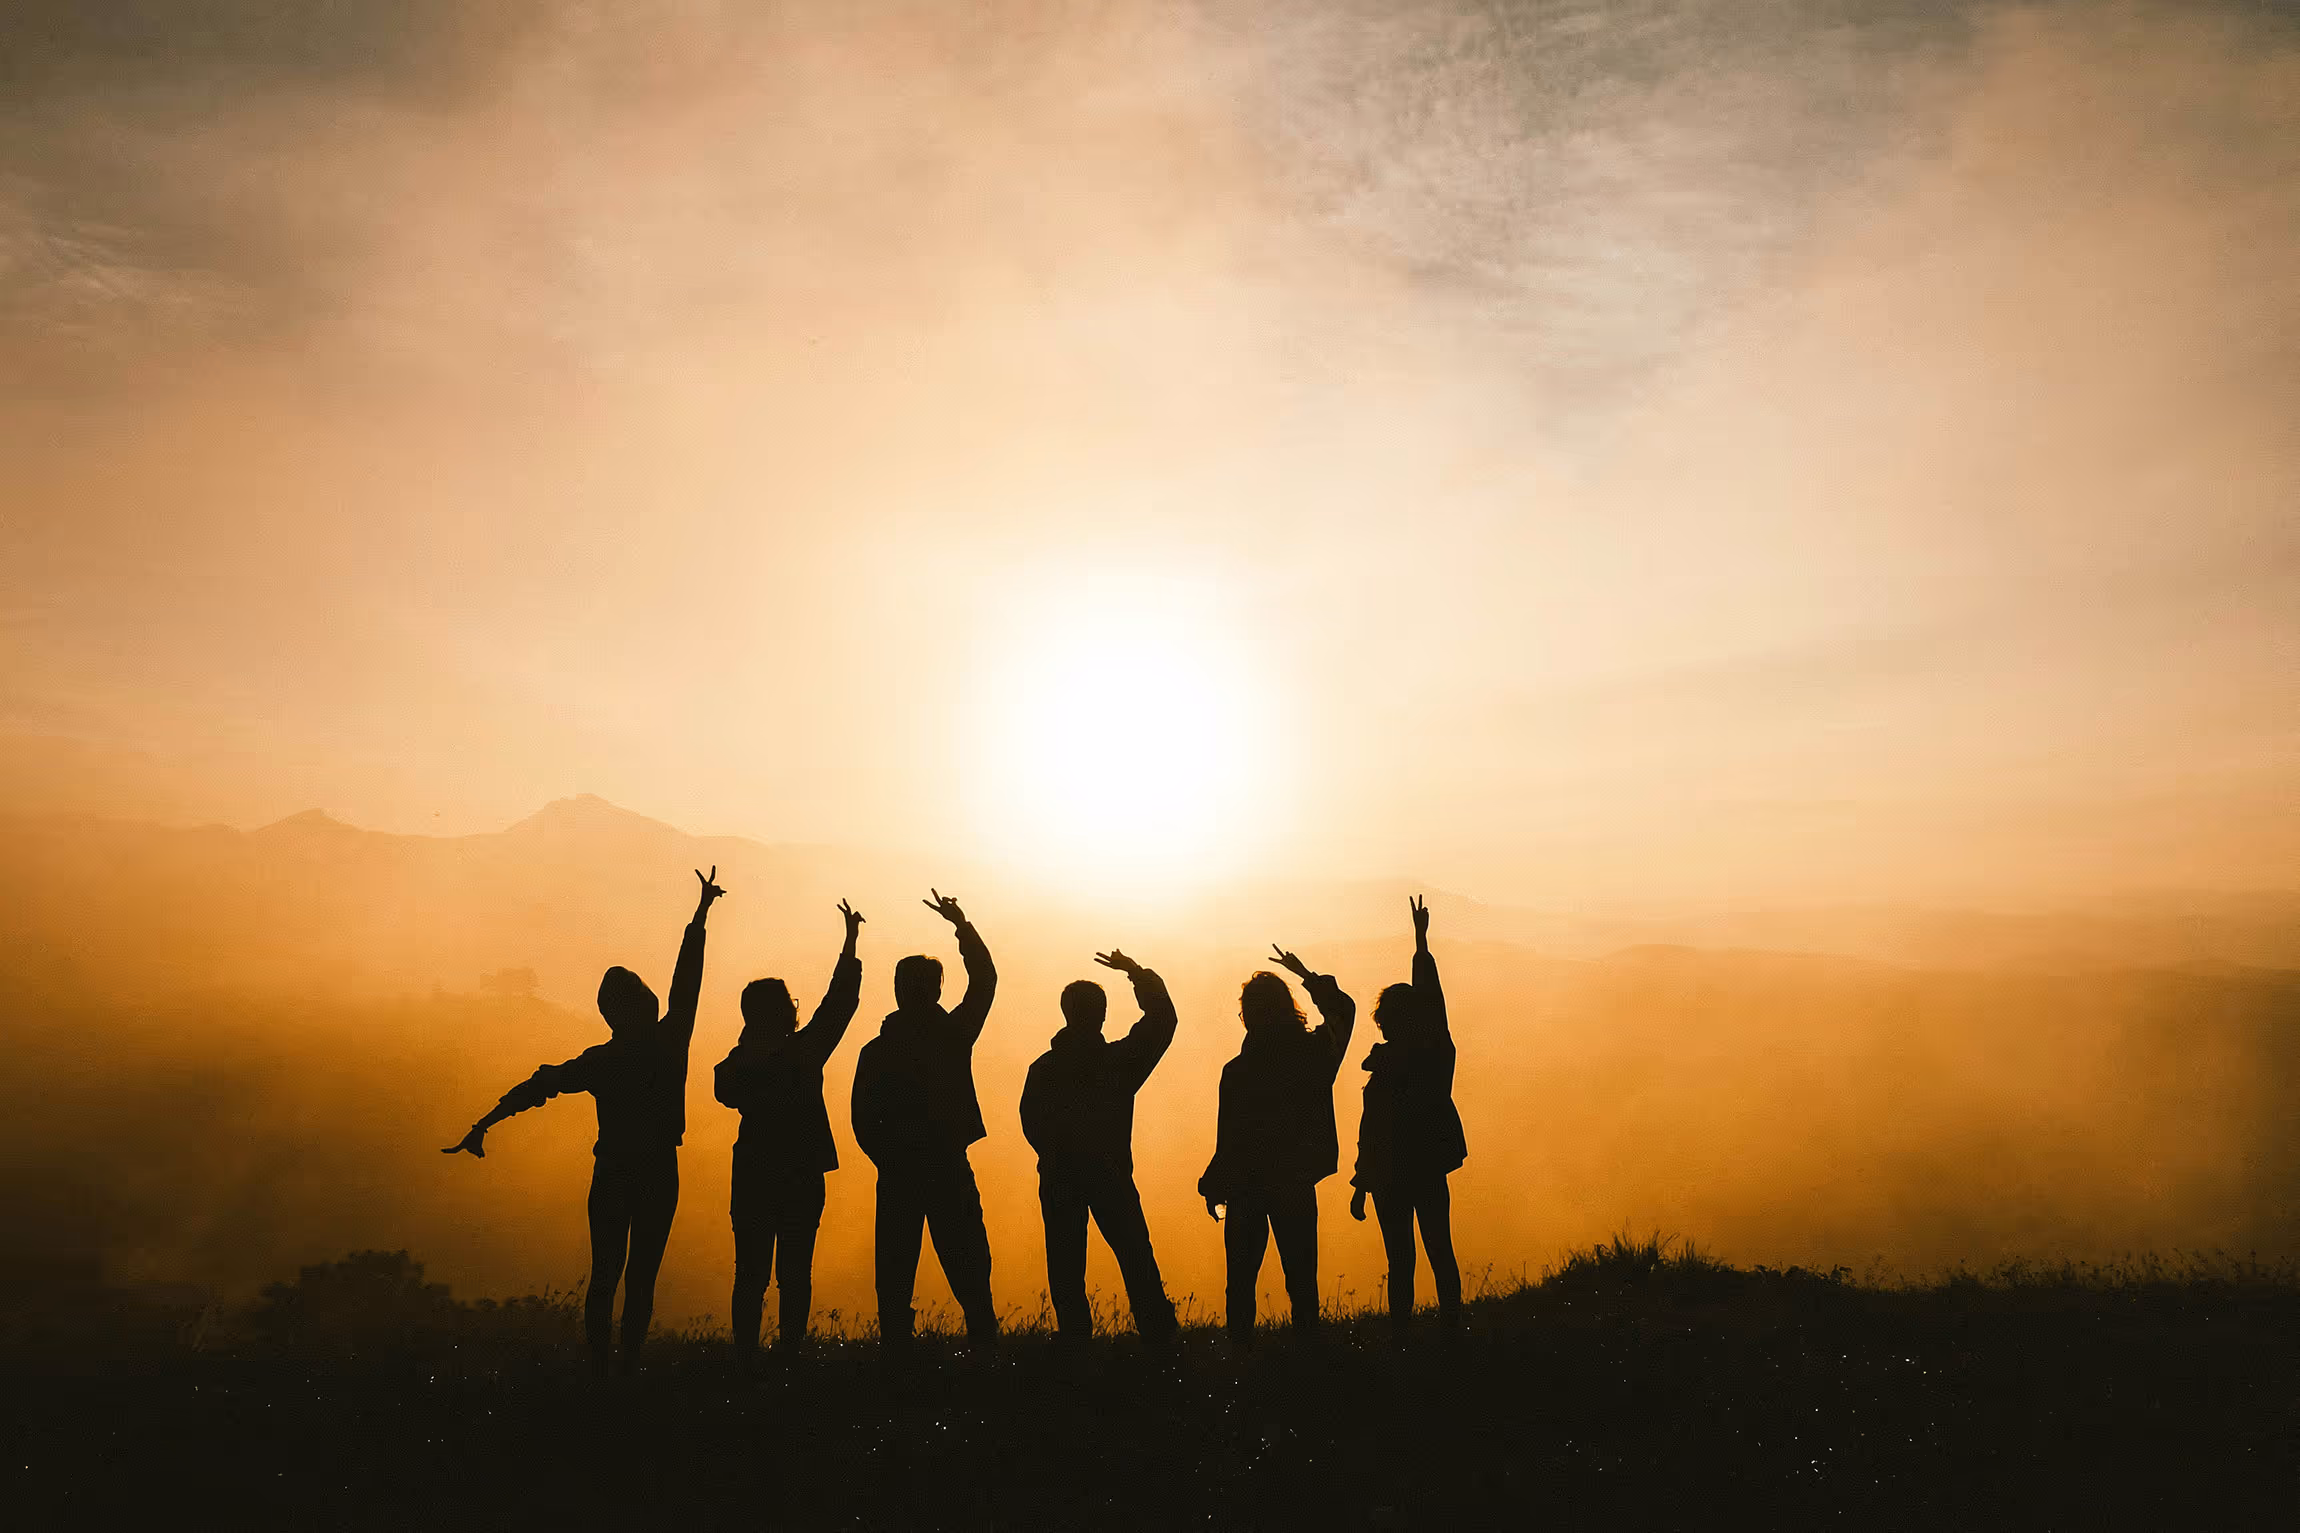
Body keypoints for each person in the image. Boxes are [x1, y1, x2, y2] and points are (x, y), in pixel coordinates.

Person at [443, 867, 725, 1375]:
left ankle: (600, 1369)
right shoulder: (669, 1042)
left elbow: (539, 1085)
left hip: (614, 1171)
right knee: (641, 1277)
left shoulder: (601, 1061)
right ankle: (628, 1367)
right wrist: (700, 916)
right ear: (644, 1004)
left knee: (605, 1274)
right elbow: (688, 981)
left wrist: (484, 1122)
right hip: (659, 1171)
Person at [713, 899, 865, 1359]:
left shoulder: (739, 1064)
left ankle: (745, 1356)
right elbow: (839, 1005)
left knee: (750, 1274)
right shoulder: (803, 1053)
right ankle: (790, 1355)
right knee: (795, 1271)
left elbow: (724, 1088)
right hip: (801, 1174)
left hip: (754, 1174)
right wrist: (851, 945)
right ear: (785, 1013)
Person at [850, 890, 999, 1347]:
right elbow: (985, 980)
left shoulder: (879, 1050)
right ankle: (983, 1341)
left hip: (899, 1169)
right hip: (943, 1164)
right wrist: (962, 924)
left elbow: (862, 1118)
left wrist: (887, 1156)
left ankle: (898, 1348)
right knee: (967, 1259)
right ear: (936, 989)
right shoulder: (952, 1035)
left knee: (896, 1265)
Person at [1019, 949, 1180, 1348]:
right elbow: (1163, 1021)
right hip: (1110, 1175)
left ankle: (1076, 1344)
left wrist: (1056, 1154)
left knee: (1065, 1264)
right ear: (1103, 1014)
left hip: (1060, 1176)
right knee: (1135, 1256)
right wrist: (1136, 973)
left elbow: (1031, 1123)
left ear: (1066, 1013)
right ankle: (1160, 1337)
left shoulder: (1044, 1068)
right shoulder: (1118, 1063)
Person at [1198, 945, 1355, 1346]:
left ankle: (1240, 1356)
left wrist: (1214, 1184)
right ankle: (1308, 1359)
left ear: (1247, 1016)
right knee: (1301, 1277)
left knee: (1241, 1281)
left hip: (1247, 1186)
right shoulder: (1314, 1055)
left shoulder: (1237, 1071)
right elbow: (1343, 1011)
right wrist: (1306, 974)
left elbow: (1229, 1137)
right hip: (1295, 1179)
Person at [1349, 895, 1467, 1337]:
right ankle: (1449, 1329)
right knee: (1438, 1249)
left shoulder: (1394, 1065)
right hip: (1424, 1168)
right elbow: (1433, 1004)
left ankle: (1403, 1337)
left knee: (1401, 1258)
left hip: (1389, 1176)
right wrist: (1420, 944)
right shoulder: (1435, 1054)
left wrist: (1363, 1181)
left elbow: (1371, 1132)